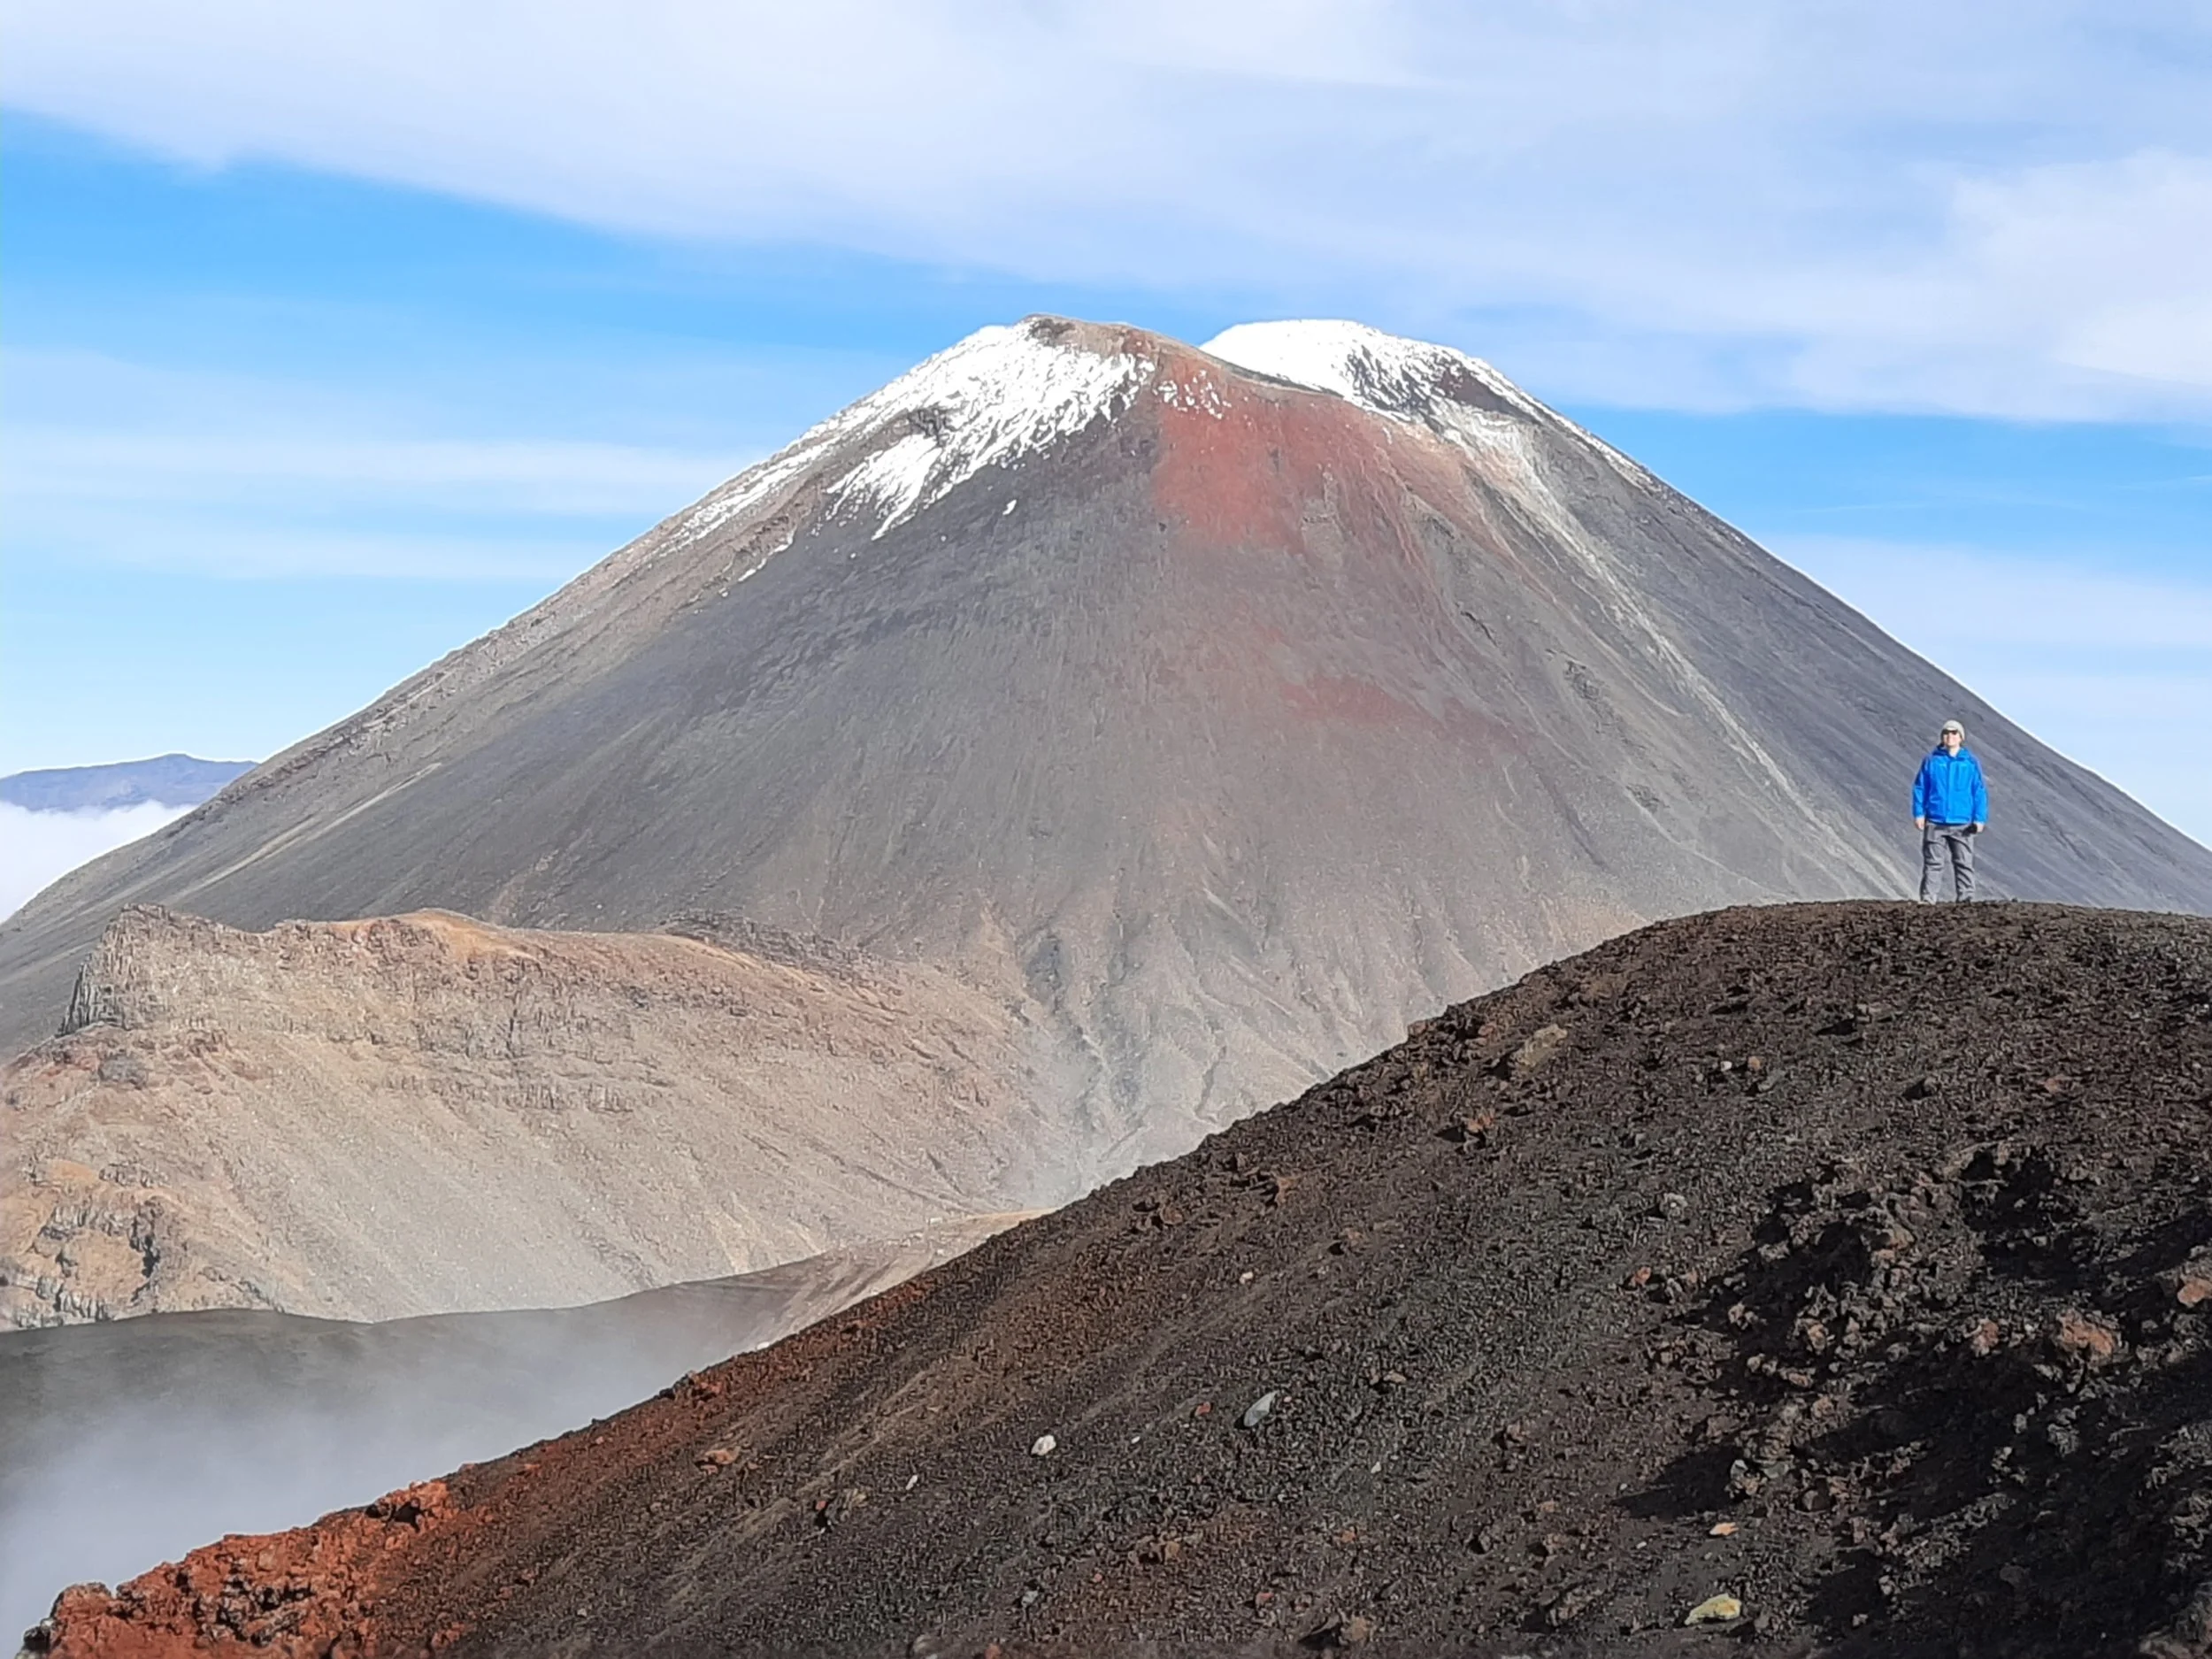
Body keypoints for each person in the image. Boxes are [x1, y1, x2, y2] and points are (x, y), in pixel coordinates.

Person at [1913, 718, 1987, 902]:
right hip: (1935, 821)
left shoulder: (1970, 763)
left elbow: (1978, 790)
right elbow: (1920, 787)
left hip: (1962, 822)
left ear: (1961, 737)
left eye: (1954, 733)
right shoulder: (1931, 761)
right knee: (1933, 863)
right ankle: (1928, 900)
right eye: (1946, 733)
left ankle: (1966, 898)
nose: (1950, 736)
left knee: (1963, 862)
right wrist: (1919, 813)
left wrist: (1979, 819)